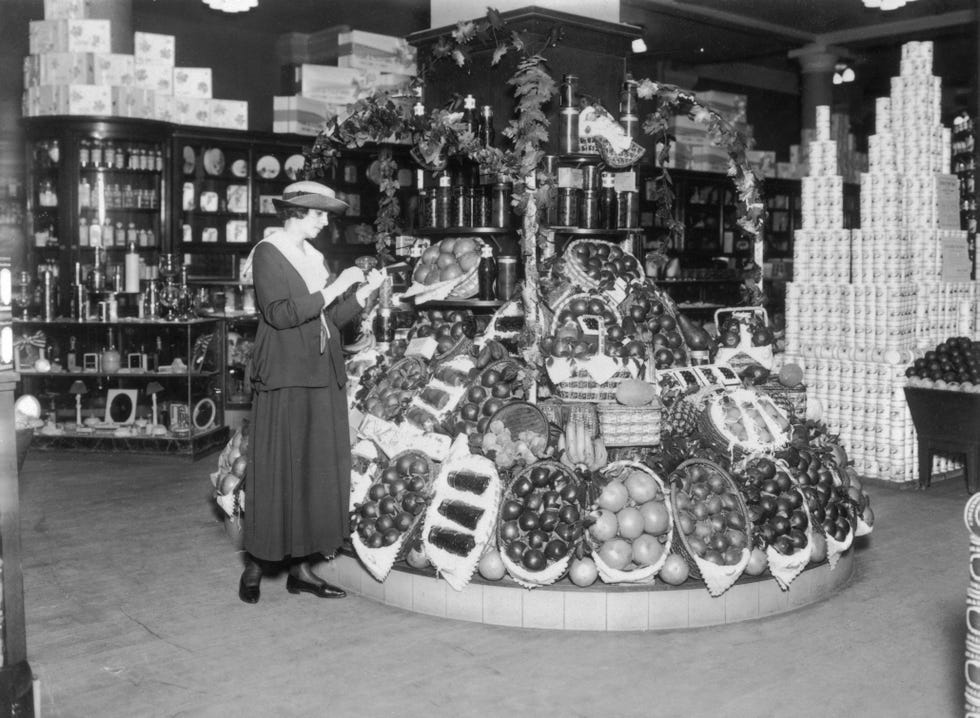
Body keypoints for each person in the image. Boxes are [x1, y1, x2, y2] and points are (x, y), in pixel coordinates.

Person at [238, 180, 386, 604]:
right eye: (320, 214)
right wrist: (335, 287)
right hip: (285, 374)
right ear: (297, 212)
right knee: (276, 468)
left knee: (314, 471)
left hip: (321, 373)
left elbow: (330, 318)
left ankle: (301, 570)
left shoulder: (314, 258)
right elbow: (280, 314)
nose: (325, 222)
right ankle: (257, 564)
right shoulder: (268, 253)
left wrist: (361, 293)